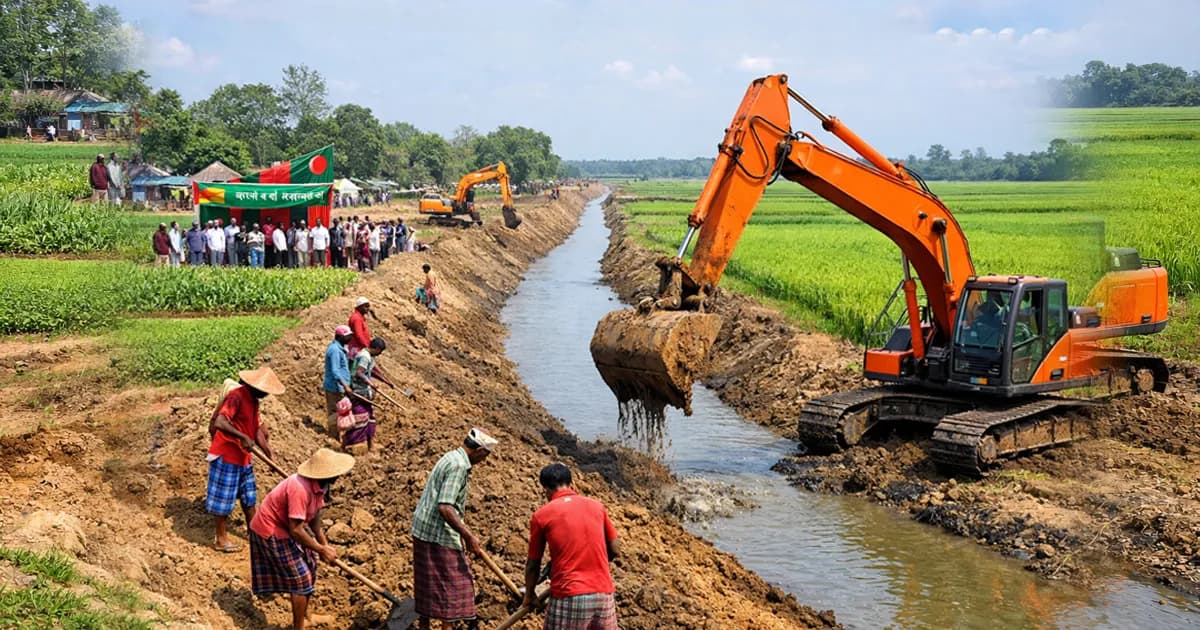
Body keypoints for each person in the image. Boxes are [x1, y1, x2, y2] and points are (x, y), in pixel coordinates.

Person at [249, 447, 353, 630]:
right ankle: (299, 627)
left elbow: (315, 521)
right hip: (270, 529)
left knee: (311, 564)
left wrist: (324, 546)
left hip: (286, 528)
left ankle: (307, 616)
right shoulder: (300, 489)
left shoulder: (322, 486)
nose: (339, 476)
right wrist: (320, 549)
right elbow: (296, 530)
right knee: (301, 579)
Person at [411, 428, 499, 629]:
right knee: (454, 587)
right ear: (479, 451)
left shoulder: (451, 456)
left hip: (423, 528)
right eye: (486, 456)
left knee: (428, 586)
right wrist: (468, 536)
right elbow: (445, 506)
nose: (484, 461)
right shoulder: (459, 466)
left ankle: (425, 625)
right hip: (437, 533)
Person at [523, 463, 620, 630]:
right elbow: (615, 549)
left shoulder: (542, 515)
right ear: (572, 484)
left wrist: (529, 594)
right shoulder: (597, 506)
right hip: (603, 596)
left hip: (568, 596)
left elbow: (533, 564)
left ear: (545, 489)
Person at [207, 366, 284, 552]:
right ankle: (221, 539)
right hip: (227, 454)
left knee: (249, 498)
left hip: (243, 457)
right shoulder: (236, 396)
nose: (266, 394)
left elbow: (256, 430)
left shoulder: (254, 401)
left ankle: (255, 533)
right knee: (223, 500)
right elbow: (220, 421)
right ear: (254, 386)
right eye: (264, 390)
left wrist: (269, 456)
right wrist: (241, 436)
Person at [346, 337, 394, 452]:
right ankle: (355, 444)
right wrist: (371, 383)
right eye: (380, 351)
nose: (380, 354)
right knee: (361, 416)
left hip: (365, 391)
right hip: (359, 390)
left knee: (370, 417)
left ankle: (370, 444)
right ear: (377, 348)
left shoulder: (368, 356)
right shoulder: (364, 357)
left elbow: (371, 371)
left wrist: (385, 381)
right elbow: (359, 372)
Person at [322, 325, 354, 436]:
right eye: (348, 336)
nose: (350, 338)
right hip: (334, 387)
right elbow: (335, 371)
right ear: (340, 337)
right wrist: (346, 386)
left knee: (341, 412)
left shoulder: (340, 348)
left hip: (339, 386)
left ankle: (338, 435)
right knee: (334, 413)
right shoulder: (335, 350)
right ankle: (333, 436)